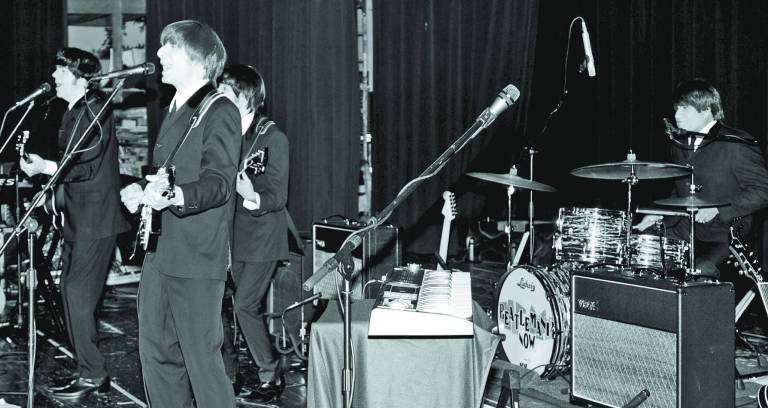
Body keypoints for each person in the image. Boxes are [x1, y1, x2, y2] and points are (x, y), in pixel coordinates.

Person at [119, 20, 241, 407]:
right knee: (157, 356)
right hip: (161, 253)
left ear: (197, 59)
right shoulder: (177, 108)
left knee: (203, 366)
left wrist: (173, 194)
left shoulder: (220, 109)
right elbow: (172, 173)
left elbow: (219, 183)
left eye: (169, 48)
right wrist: (147, 191)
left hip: (196, 258)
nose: (158, 55)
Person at [19, 47, 129, 398]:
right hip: (79, 219)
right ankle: (88, 369)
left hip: (96, 221)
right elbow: (73, 165)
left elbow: (87, 166)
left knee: (78, 296)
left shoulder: (96, 109)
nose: (53, 76)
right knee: (71, 294)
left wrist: (46, 168)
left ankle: (93, 373)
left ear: (80, 78)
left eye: (60, 71)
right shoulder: (73, 111)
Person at [634, 79, 768, 278]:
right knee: (641, 248)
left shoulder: (736, 143)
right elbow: (681, 191)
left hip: (725, 233)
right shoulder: (679, 144)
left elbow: (763, 191)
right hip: (685, 226)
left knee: (699, 270)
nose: (676, 115)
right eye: (676, 109)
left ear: (706, 110)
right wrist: (661, 215)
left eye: (684, 108)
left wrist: (719, 209)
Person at [217, 64, 290, 403]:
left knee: (245, 305)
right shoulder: (226, 132)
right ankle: (229, 374)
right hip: (230, 237)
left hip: (262, 237)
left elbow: (278, 195)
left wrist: (251, 195)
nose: (218, 99)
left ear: (244, 96)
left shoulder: (272, 137)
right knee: (223, 305)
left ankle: (271, 374)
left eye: (224, 93)